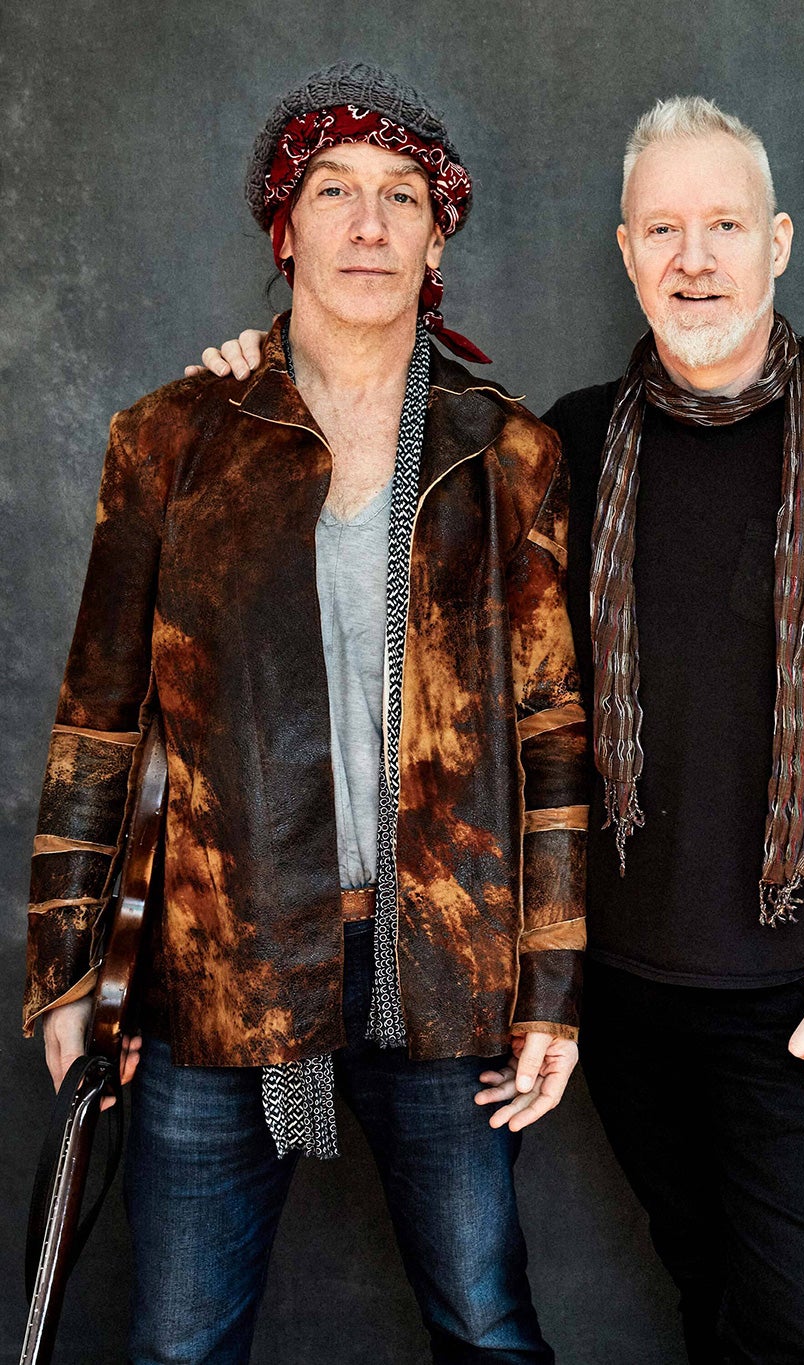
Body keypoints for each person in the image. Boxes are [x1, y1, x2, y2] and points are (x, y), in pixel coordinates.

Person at [202, 92, 804, 1364]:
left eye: (724, 225)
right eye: (662, 229)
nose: (693, 259)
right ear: (626, 252)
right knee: (701, 1286)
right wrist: (255, 375)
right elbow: (455, 655)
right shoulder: (564, 443)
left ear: (777, 241)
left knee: (798, 1329)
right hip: (620, 989)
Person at [26, 61, 587, 1362]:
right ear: (285, 229)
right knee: (179, 1343)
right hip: (215, 959)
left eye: (402, 198)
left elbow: (551, 733)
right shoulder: (174, 438)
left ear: (438, 240)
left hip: (441, 958)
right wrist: (67, 971)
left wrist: (551, 984)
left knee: (488, 1325)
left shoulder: (505, 453)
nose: (368, 225)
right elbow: (97, 719)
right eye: (334, 192)